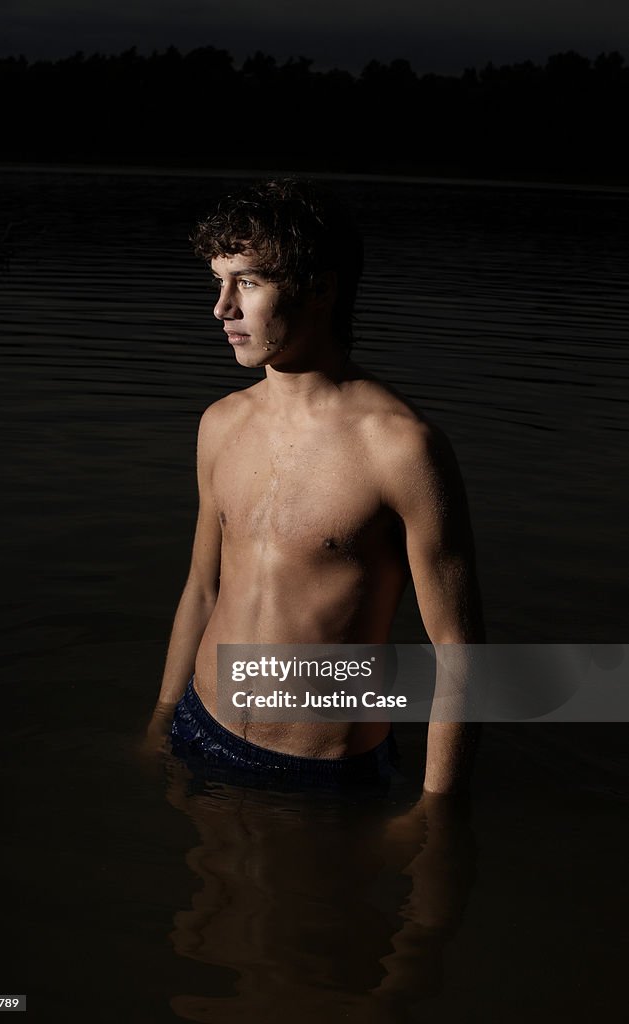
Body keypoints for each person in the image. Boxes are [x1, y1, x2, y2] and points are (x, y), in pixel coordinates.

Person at [145, 179, 484, 794]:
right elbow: (202, 587)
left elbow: (459, 649)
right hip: (199, 726)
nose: (222, 308)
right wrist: (163, 717)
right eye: (218, 283)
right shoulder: (221, 423)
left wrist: (437, 816)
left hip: (319, 770)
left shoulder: (401, 447)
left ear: (320, 289)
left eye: (247, 282)